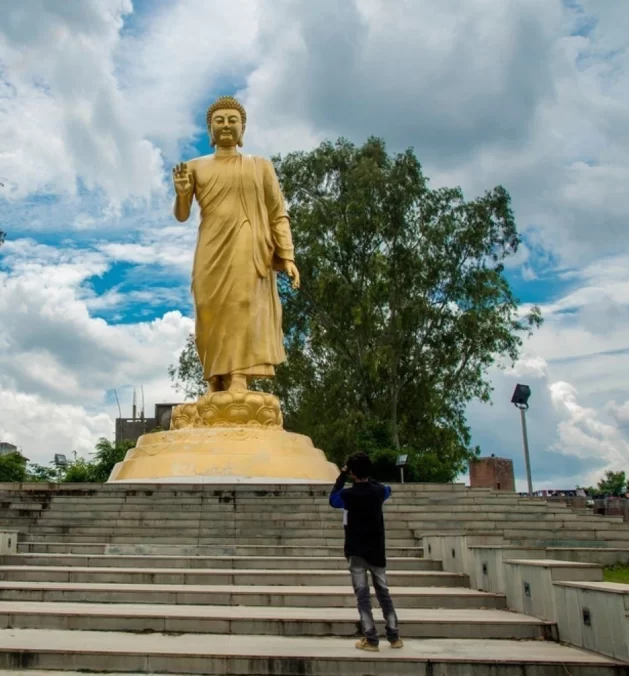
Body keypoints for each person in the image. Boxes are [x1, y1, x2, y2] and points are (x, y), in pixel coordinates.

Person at [171, 95, 301, 394]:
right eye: (220, 121)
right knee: (207, 309)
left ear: (242, 129)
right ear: (209, 129)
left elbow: (277, 213)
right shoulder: (194, 167)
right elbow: (181, 216)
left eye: (233, 120)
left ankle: (240, 377)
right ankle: (214, 380)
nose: (226, 125)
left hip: (247, 240)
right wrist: (180, 194)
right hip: (210, 248)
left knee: (242, 304)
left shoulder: (260, 166)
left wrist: (288, 255)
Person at [329, 452, 403, 651]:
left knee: (362, 595)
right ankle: (394, 636)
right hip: (377, 549)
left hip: (356, 550)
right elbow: (386, 489)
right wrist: (369, 478)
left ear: (352, 472)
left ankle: (371, 638)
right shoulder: (378, 492)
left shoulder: (347, 495)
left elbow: (333, 499)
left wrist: (342, 475)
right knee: (383, 592)